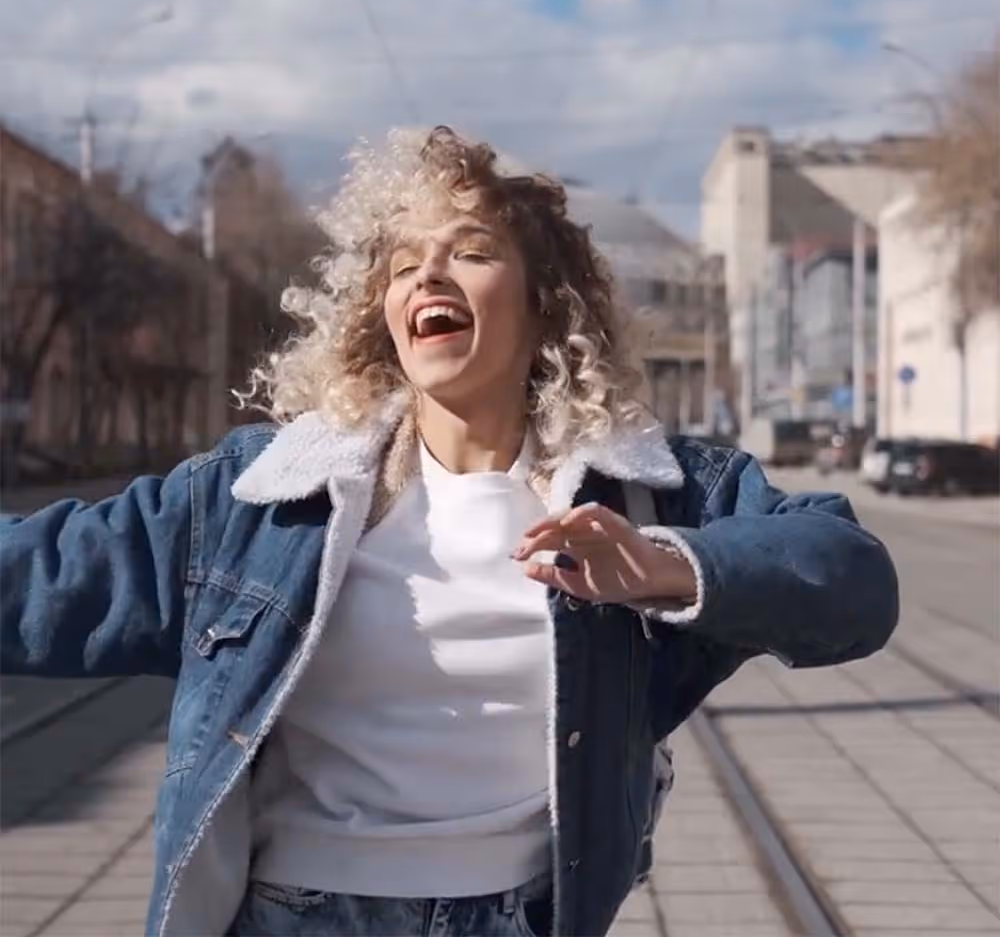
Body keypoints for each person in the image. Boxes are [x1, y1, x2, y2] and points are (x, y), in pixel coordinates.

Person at [0, 126, 898, 937]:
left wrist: (663, 565)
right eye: (401, 265)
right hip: (301, 918)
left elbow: (852, 580)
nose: (426, 276)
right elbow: (40, 579)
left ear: (547, 302)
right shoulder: (262, 497)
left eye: (469, 251)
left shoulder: (651, 495)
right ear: (382, 318)